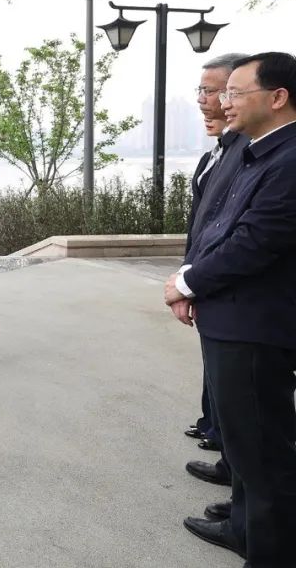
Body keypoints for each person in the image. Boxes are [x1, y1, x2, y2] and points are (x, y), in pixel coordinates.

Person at [165, 52, 296, 565]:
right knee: (245, 447)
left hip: (255, 326)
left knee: (263, 456)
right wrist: (192, 282)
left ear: (277, 97)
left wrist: (187, 282)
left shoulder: (288, 160)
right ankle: (246, 531)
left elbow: (254, 241)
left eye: (234, 92)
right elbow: (217, 225)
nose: (224, 102)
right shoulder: (260, 152)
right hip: (234, 318)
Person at [182, 54, 248, 501]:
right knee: (225, 389)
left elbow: (244, 234)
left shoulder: (255, 152)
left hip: (243, 301)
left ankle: (250, 519)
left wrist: (193, 281)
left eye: (215, 91)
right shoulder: (221, 150)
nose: (205, 100)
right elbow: (204, 222)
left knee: (249, 410)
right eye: (202, 91)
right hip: (212, 288)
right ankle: (227, 457)